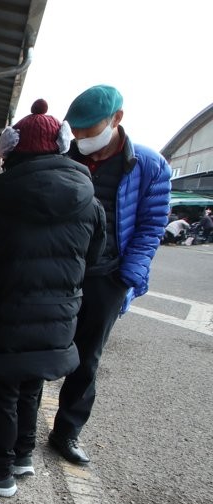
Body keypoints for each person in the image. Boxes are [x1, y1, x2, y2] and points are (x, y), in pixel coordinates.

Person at [0, 99, 106, 497]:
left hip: (3, 313)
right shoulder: (89, 198)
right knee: (31, 382)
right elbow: (96, 257)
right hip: (58, 313)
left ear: (10, 150)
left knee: (2, 388)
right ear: (62, 146)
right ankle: (22, 456)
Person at [48, 85, 171, 465]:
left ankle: (66, 433)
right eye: (77, 131)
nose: (82, 139)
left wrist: (128, 275)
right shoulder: (65, 157)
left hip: (108, 275)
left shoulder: (149, 165)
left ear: (117, 119)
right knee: (40, 346)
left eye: (90, 130)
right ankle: (17, 438)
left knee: (87, 358)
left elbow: (152, 226)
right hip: (59, 270)